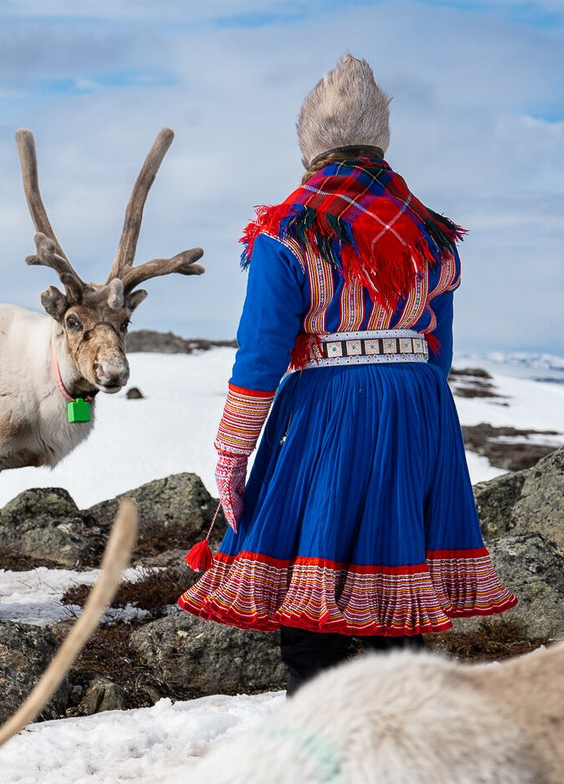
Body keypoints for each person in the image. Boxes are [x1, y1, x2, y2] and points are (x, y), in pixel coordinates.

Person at [178, 54, 517, 695]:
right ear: (379, 141)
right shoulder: (431, 233)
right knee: (400, 565)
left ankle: (317, 727)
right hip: (420, 407)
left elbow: (261, 355)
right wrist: (411, 406)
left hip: (329, 403)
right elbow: (437, 350)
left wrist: (232, 451)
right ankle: (405, 732)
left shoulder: (289, 231)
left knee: (315, 562)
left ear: (310, 147)